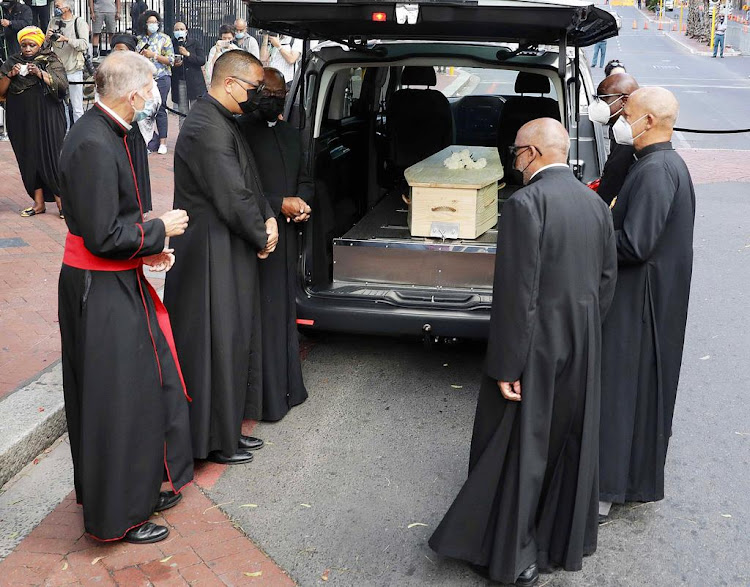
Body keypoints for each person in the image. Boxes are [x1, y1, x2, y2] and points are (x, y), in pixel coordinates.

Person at [429, 118, 617, 586]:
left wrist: (506, 365)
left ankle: (511, 555)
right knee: (564, 441)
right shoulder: (594, 203)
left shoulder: (525, 204)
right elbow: (607, 279)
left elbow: (517, 293)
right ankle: (558, 539)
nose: (514, 159)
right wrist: (585, 327)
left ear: (531, 153)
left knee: (518, 446)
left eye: (515, 151)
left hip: (535, 343)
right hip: (583, 337)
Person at [57, 50, 193, 544]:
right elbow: (102, 234)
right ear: (136, 94)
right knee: (116, 399)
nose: (157, 92)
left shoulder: (111, 129)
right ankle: (117, 514)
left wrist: (146, 250)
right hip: (99, 287)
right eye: (154, 85)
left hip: (115, 278)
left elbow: (113, 223)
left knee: (140, 389)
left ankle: (136, 490)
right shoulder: (94, 141)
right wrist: (156, 231)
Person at [164, 50, 279, 465]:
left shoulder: (219, 119)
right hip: (209, 252)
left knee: (231, 340)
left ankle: (226, 431)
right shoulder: (205, 126)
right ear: (229, 84)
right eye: (251, 88)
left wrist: (267, 217)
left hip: (226, 245)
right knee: (213, 345)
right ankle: (212, 440)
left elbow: (248, 180)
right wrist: (260, 234)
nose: (254, 96)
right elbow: (231, 194)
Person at [599, 87, 695, 519]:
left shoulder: (657, 170)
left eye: (629, 112)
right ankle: (619, 481)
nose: (622, 119)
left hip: (641, 303)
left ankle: (606, 487)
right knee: (632, 392)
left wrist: (588, 233)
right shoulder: (659, 163)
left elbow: (636, 244)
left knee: (621, 392)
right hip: (651, 298)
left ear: (650, 121)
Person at [239, 67, 312, 422]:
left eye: (281, 95)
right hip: (258, 236)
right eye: (269, 94)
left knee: (284, 313)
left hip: (288, 235)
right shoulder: (240, 133)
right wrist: (277, 203)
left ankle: (287, 388)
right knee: (263, 315)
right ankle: (264, 398)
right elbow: (239, 191)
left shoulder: (291, 134)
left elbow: (306, 179)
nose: (275, 101)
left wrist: (302, 203)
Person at [0, 26, 66, 218]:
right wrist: (10, 75)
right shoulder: (13, 61)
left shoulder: (50, 59)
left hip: (48, 116)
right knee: (28, 158)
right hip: (20, 117)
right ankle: (38, 204)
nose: (28, 49)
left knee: (52, 157)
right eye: (24, 45)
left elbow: (61, 86)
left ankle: (63, 204)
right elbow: (1, 91)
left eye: (32, 45)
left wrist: (39, 73)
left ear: (39, 44)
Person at [111, 32, 156, 215]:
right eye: (115, 50)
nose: (118, 54)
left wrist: (134, 113)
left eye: (122, 50)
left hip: (133, 129)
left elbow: (152, 101)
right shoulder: (110, 73)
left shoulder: (142, 73)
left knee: (135, 168)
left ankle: (140, 207)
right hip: (115, 128)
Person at [588, 73, 639, 207]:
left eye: (604, 99)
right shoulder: (618, 131)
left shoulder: (632, 139)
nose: (599, 105)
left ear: (624, 101)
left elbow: (613, 182)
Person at [45, 0, 87, 126]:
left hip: (73, 68)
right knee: (61, 105)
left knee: (77, 107)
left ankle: (79, 135)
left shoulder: (78, 22)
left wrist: (66, 39)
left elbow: (84, 44)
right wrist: (47, 38)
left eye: (58, 6)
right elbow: (45, 45)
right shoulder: (53, 21)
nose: (56, 8)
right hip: (57, 70)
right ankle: (65, 132)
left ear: (67, 7)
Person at [137, 10, 173, 154]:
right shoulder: (140, 39)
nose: (153, 25)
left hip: (162, 77)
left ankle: (163, 142)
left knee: (161, 109)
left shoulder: (164, 39)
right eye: (150, 22)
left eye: (155, 22)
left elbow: (170, 60)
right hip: (144, 79)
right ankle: (148, 141)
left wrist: (154, 55)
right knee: (144, 110)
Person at [171, 21, 206, 116]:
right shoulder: (170, 44)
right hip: (180, 81)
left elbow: (202, 60)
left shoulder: (195, 43)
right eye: (177, 30)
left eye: (181, 29)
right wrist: (174, 63)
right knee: (182, 112)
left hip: (194, 82)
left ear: (186, 31)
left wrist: (188, 54)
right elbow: (167, 61)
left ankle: (196, 131)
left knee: (196, 112)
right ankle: (183, 130)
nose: (179, 31)